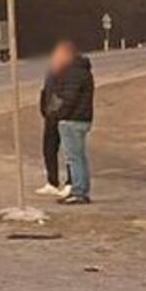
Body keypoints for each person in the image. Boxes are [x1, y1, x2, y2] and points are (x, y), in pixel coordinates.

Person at [45, 41, 95, 205]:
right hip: (81, 119)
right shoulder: (83, 71)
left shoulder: (73, 73)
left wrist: (58, 115)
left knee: (74, 158)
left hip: (72, 120)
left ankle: (79, 191)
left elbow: (68, 99)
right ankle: (80, 189)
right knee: (79, 157)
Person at [37, 51, 69, 197]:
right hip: (50, 117)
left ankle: (71, 182)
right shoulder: (51, 73)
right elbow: (45, 92)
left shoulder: (70, 73)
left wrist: (59, 112)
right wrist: (44, 109)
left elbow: (68, 95)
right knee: (49, 149)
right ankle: (52, 182)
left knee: (69, 151)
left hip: (64, 116)